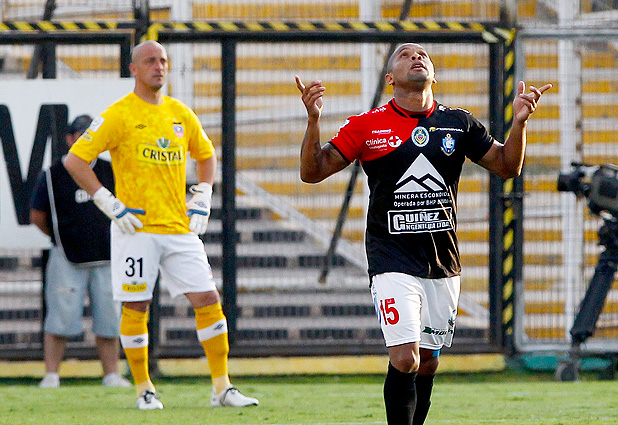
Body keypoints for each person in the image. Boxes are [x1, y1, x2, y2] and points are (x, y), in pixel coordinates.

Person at [296, 43, 551, 425]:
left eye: (423, 55)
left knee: (428, 362)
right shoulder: (366, 125)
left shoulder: (459, 123)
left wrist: (519, 124)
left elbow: (506, 166)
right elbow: (312, 172)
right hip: (390, 258)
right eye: (405, 55)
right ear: (389, 78)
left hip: (442, 260)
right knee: (405, 358)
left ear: (434, 74)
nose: (416, 58)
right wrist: (314, 120)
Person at [63, 40, 258, 411]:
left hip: (179, 228)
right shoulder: (119, 114)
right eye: (150, 61)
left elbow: (206, 155)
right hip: (136, 229)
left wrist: (203, 195)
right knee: (137, 306)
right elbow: (75, 160)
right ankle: (144, 389)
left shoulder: (179, 112)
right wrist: (108, 202)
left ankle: (222, 387)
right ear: (134, 69)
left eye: (164, 60)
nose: (159, 66)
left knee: (208, 299)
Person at [30, 114, 131, 389]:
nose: (86, 140)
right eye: (80, 134)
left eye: (90, 135)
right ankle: (52, 374)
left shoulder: (112, 170)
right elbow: (37, 215)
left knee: (109, 318)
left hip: (107, 256)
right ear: (69, 138)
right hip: (67, 257)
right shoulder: (52, 175)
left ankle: (111, 374)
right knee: (60, 316)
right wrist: (62, 238)